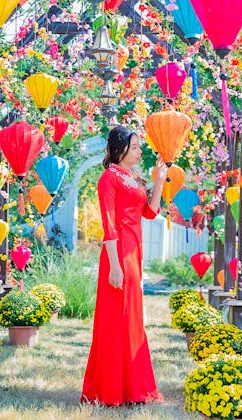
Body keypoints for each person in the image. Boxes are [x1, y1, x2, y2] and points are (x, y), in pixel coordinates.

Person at [80, 125, 167, 406]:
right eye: (135, 146)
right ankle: (111, 389)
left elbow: (151, 213)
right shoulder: (109, 179)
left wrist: (161, 180)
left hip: (135, 253)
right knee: (116, 320)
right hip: (118, 256)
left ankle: (133, 387)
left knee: (132, 320)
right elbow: (109, 226)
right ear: (121, 150)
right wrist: (115, 266)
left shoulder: (133, 178)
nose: (140, 150)